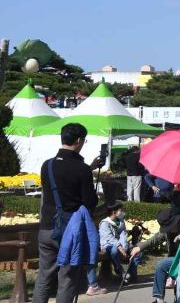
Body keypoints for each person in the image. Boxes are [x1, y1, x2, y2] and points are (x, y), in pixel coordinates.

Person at [33, 122, 102, 303]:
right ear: (79, 141)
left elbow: (60, 183)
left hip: (47, 227)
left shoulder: (46, 166)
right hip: (69, 231)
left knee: (44, 277)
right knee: (67, 279)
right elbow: (89, 203)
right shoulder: (82, 169)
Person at [128, 205, 180, 303]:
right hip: (175, 258)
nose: (167, 230)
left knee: (162, 265)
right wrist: (139, 247)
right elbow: (155, 239)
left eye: (168, 227)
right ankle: (159, 299)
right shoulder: (168, 232)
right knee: (161, 267)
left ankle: (178, 299)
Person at [98, 202, 142, 283]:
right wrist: (120, 247)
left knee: (137, 252)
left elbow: (123, 235)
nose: (123, 212)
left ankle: (131, 275)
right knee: (114, 250)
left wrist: (124, 247)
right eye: (121, 210)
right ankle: (120, 271)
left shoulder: (121, 222)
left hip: (121, 245)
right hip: (107, 246)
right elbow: (110, 238)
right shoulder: (105, 223)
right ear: (114, 212)